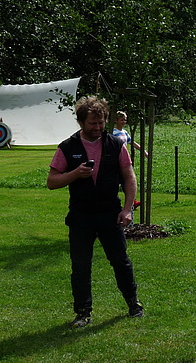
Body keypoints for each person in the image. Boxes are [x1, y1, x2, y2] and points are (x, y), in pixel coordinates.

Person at [47, 96, 143, 328]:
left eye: (101, 123)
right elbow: (52, 181)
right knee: (80, 266)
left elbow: (129, 178)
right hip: (81, 216)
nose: (98, 127)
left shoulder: (116, 145)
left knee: (120, 261)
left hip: (110, 213)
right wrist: (74, 174)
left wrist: (127, 209)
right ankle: (83, 313)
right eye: (92, 123)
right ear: (81, 122)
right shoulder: (67, 147)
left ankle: (133, 304)